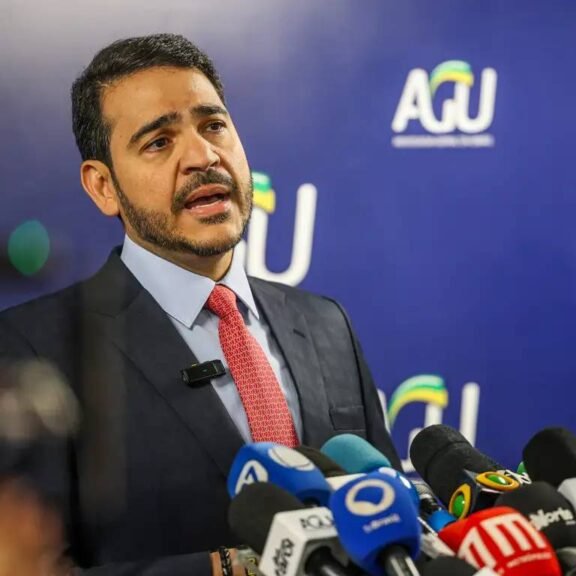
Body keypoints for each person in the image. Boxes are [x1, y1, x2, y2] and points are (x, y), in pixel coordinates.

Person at [0, 33, 397, 575]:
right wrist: (232, 568)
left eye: (213, 126)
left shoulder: (328, 324)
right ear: (103, 187)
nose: (203, 156)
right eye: (159, 142)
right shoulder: (29, 351)